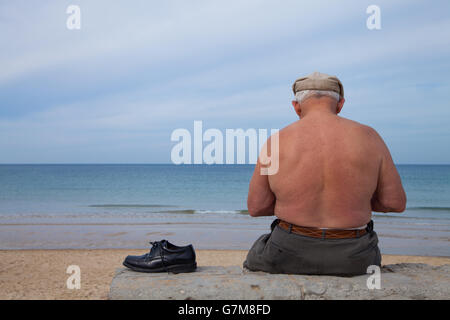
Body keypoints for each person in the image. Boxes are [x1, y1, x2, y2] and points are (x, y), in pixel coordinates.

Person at [243, 72, 406, 276]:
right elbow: (395, 203)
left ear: (296, 106)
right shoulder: (370, 137)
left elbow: (256, 207)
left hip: (288, 253)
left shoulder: (275, 142)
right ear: (340, 104)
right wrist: (353, 202)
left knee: (259, 250)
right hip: (355, 258)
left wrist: (295, 203)